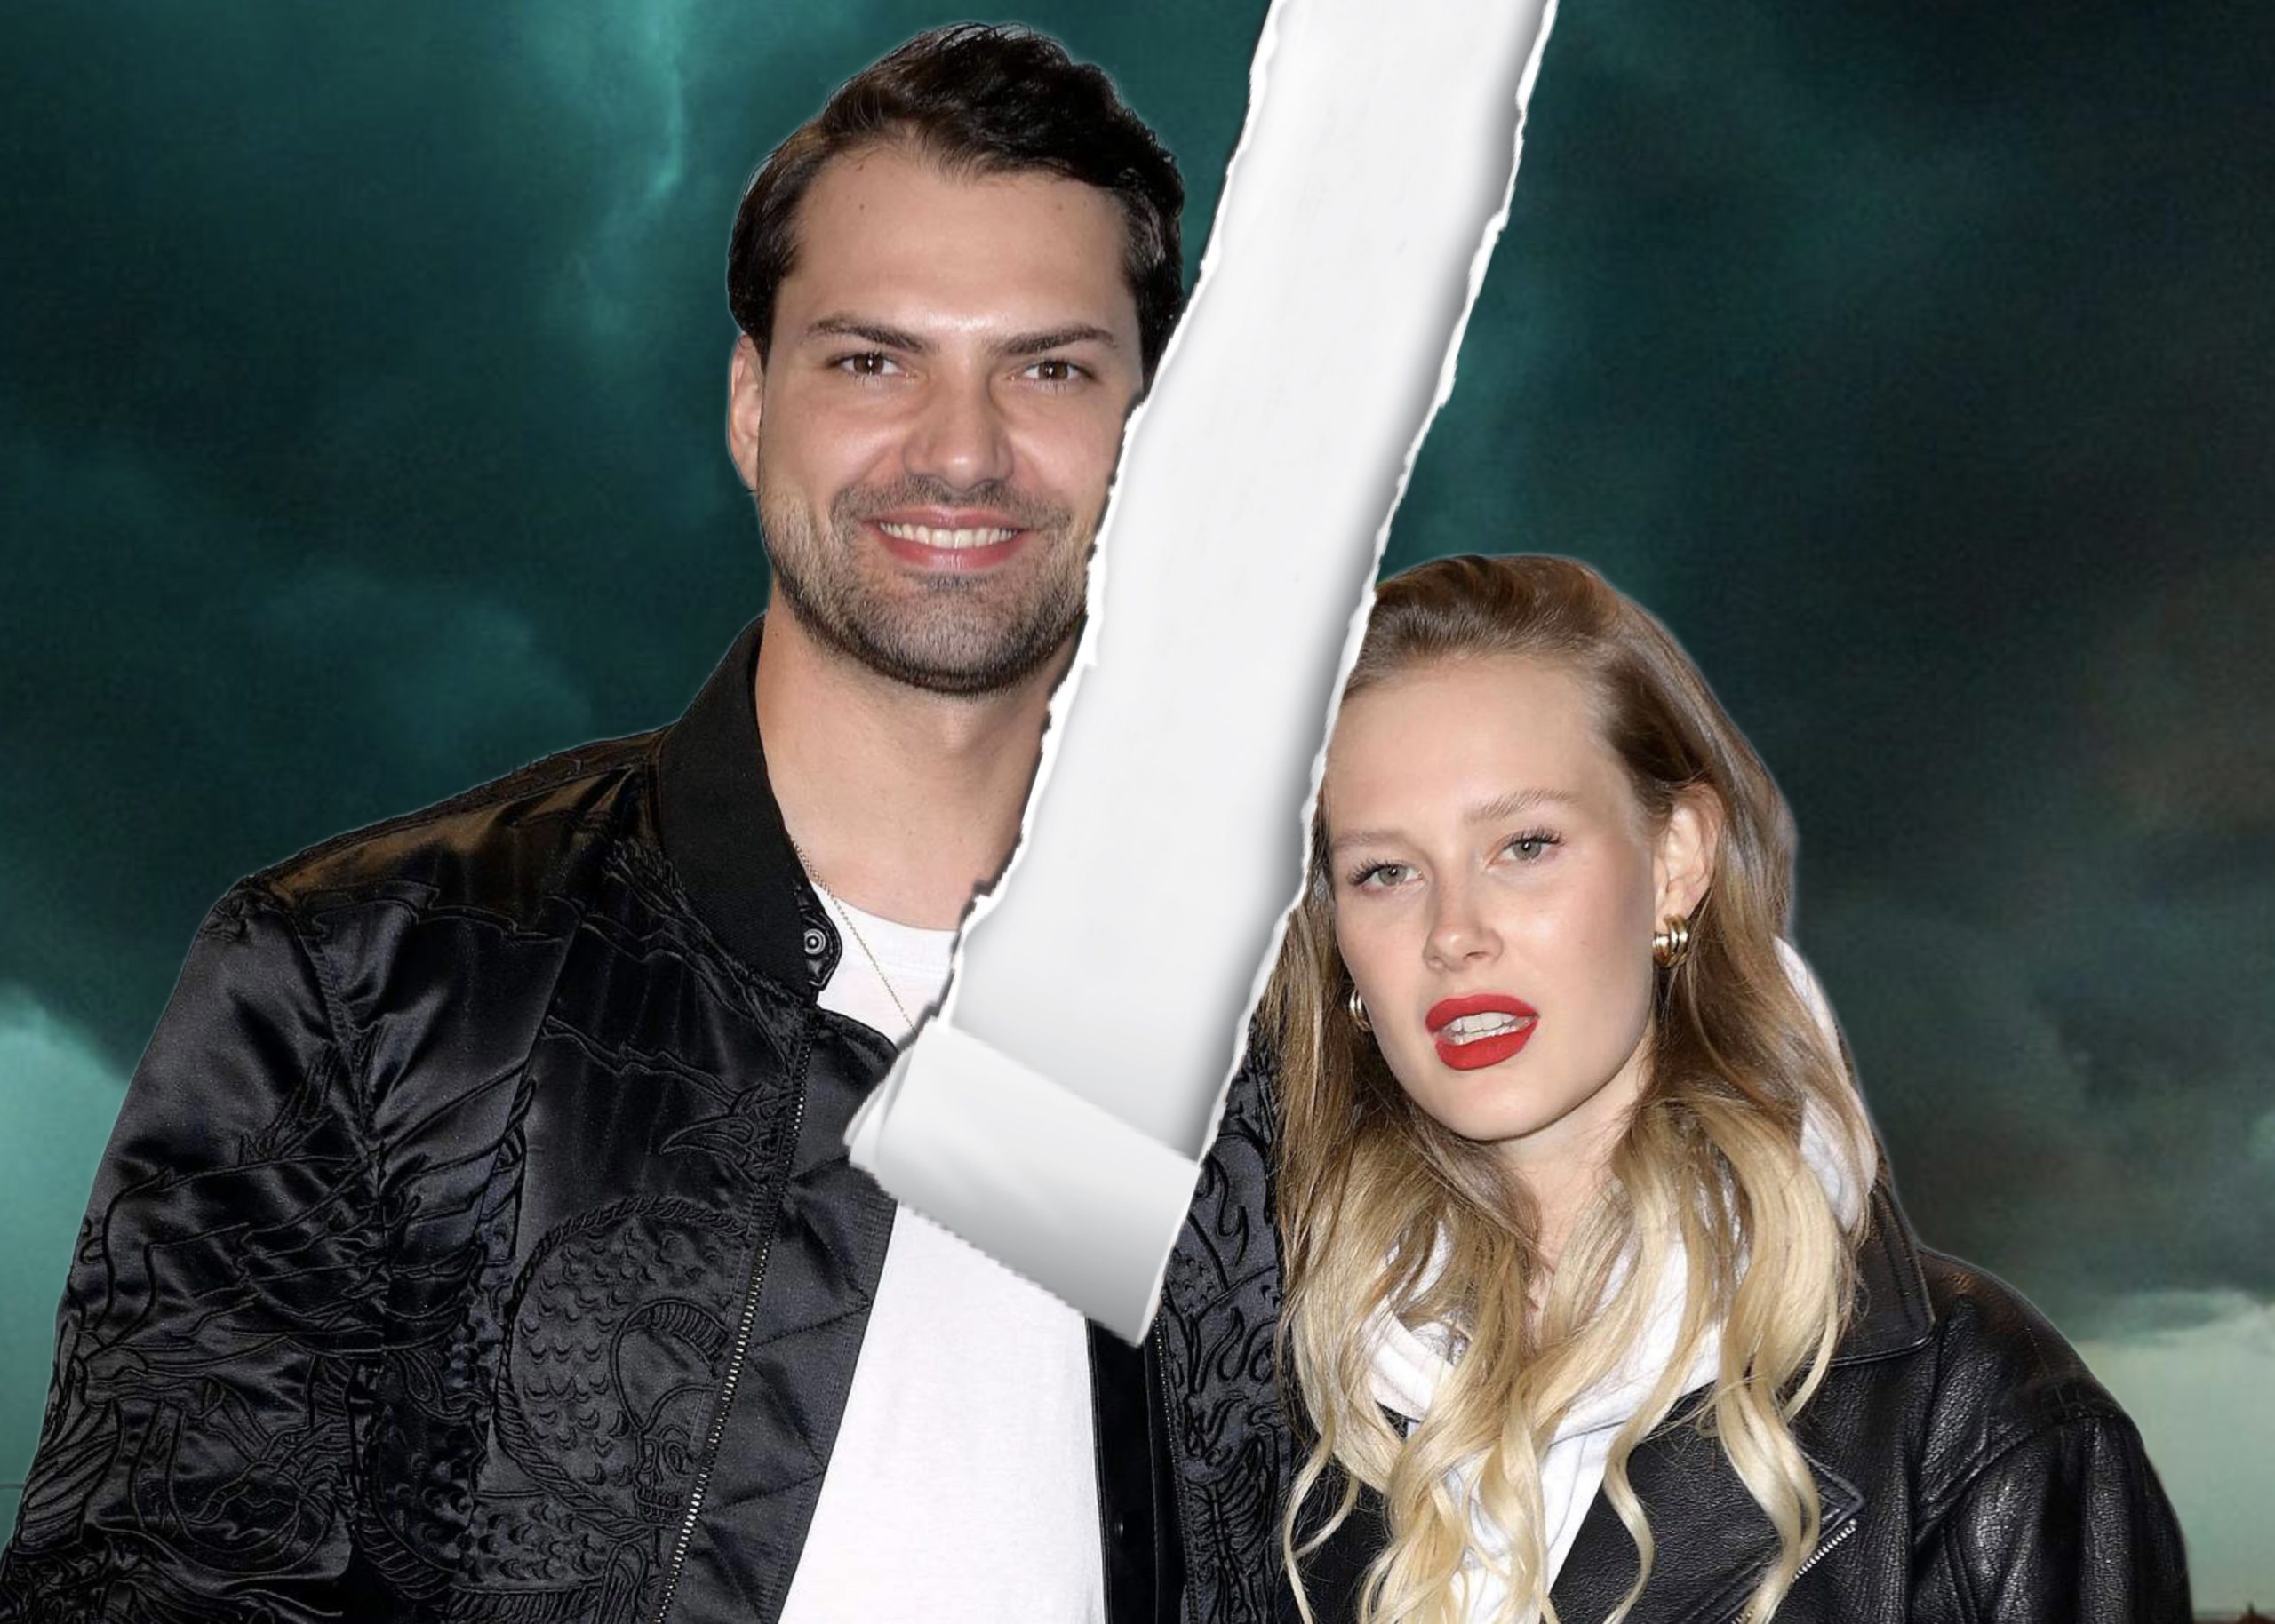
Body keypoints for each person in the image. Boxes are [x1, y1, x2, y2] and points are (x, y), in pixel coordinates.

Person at [0, 26, 1289, 1623]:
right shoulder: (359, 986)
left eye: (1049, 369)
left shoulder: (1299, 1023)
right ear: (751, 407)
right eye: (872, 361)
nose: (960, 450)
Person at [1262, 554, 2190, 1624]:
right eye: (1384, 871)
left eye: (1524, 845)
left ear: (1676, 859)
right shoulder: (1253, 1413)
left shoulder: (1977, 1418)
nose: (1453, 933)